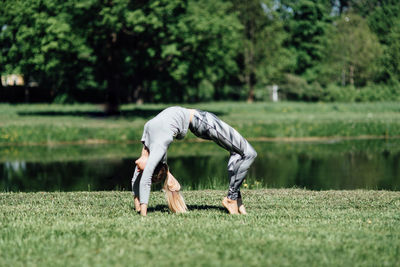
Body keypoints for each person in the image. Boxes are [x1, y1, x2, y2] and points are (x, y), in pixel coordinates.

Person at [131, 106, 257, 216]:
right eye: (143, 170)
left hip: (200, 120)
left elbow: (136, 179)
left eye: (140, 170)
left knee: (237, 153)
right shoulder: (158, 146)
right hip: (202, 121)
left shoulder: (148, 136)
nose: (138, 169)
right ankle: (231, 199)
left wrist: (137, 207)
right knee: (249, 153)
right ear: (151, 166)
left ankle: (237, 201)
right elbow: (145, 179)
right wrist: (143, 215)